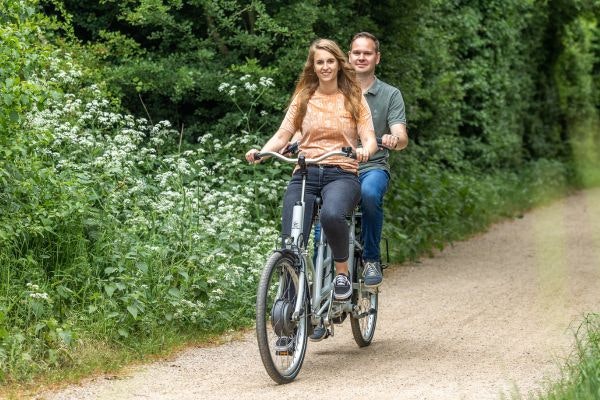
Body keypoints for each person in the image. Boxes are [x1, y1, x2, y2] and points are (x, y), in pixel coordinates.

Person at [245, 39, 378, 304]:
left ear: (339, 64)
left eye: (330, 61)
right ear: (313, 66)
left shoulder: (353, 97)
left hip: (341, 172)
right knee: (291, 242)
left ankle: (341, 273)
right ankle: (289, 314)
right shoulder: (304, 97)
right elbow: (283, 135)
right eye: (320, 62)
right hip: (305, 172)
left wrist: (365, 150)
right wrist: (261, 151)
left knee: (331, 216)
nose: (325, 67)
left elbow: (369, 137)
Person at [349, 32, 408, 287]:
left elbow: (401, 136)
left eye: (367, 53)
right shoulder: (335, 90)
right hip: (338, 165)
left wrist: (394, 139)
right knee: (321, 205)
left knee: (370, 194)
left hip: (372, 166)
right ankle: (319, 275)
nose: (362, 57)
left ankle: (370, 259)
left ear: (377, 58)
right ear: (349, 56)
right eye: (357, 52)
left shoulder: (390, 94)